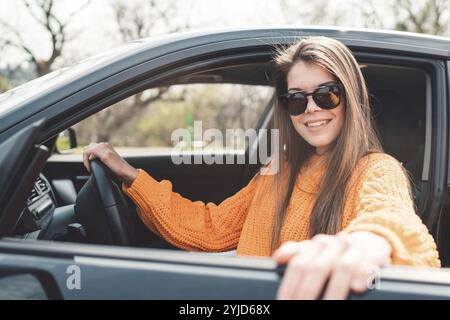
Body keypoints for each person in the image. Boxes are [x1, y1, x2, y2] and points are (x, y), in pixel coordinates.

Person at [83, 36, 440, 300]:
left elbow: (393, 221)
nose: (311, 109)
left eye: (326, 94)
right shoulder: (276, 172)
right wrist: (130, 177)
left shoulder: (376, 169)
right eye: (297, 99)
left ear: (351, 99)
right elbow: (210, 229)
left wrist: (368, 242)